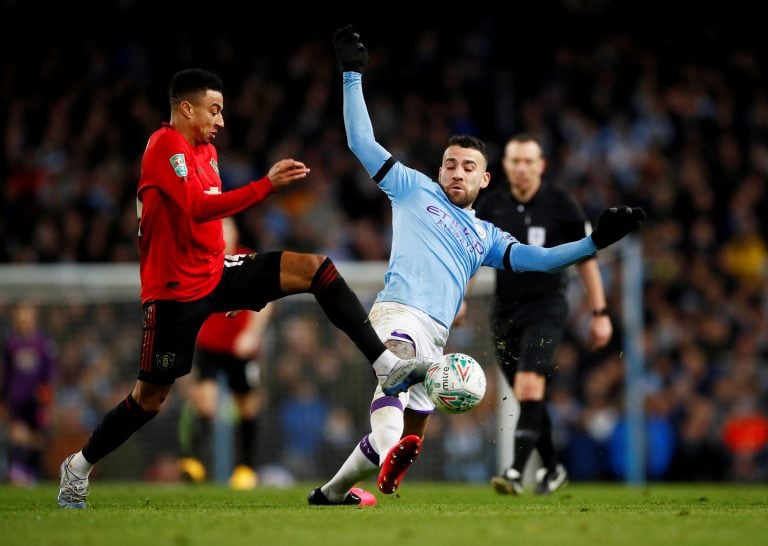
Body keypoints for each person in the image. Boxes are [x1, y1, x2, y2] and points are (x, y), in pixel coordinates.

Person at [56, 67, 430, 509]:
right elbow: (196, 208)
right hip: (175, 294)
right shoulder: (164, 146)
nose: (220, 121)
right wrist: (265, 186)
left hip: (218, 274)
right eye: (213, 111)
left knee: (316, 268)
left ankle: (385, 363)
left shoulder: (206, 151)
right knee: (149, 400)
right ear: (185, 108)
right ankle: (78, 466)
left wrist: (231, 291)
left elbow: (210, 222)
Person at [306, 25, 645, 506]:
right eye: (450, 164)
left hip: (438, 335)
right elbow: (362, 141)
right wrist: (352, 75)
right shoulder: (411, 187)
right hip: (397, 314)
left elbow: (543, 260)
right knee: (395, 378)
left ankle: (333, 491)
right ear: (439, 170)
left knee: (412, 426)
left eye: (468, 166)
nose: (457, 172)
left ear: (485, 178)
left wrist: (594, 243)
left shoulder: (486, 235)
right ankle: (386, 455)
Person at [474, 134, 613, 495]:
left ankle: (516, 473)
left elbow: (587, 257)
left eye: (528, 161)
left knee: (530, 385)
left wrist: (600, 312)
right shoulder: (490, 205)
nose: (521, 168)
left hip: (548, 308)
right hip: (504, 311)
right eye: (514, 161)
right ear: (504, 165)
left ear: (541, 165)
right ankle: (553, 470)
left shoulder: (561, 204)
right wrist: (459, 297)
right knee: (528, 397)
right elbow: (469, 254)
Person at [177, 217, 273, 490]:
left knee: (246, 407)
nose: (220, 233)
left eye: (225, 227)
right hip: (209, 344)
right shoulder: (201, 259)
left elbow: (266, 302)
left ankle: (246, 467)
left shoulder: (247, 259)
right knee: (204, 402)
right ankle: (194, 461)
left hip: (239, 348)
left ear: (235, 232)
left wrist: (251, 334)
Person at [1, 303, 57, 485]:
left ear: (33, 319)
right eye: (21, 317)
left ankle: (31, 471)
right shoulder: (11, 344)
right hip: (17, 399)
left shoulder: (43, 343)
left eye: (27, 316)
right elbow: (7, 373)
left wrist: (47, 396)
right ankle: (17, 470)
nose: (23, 320)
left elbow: (49, 374)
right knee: (17, 433)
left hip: (37, 400)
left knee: (38, 438)